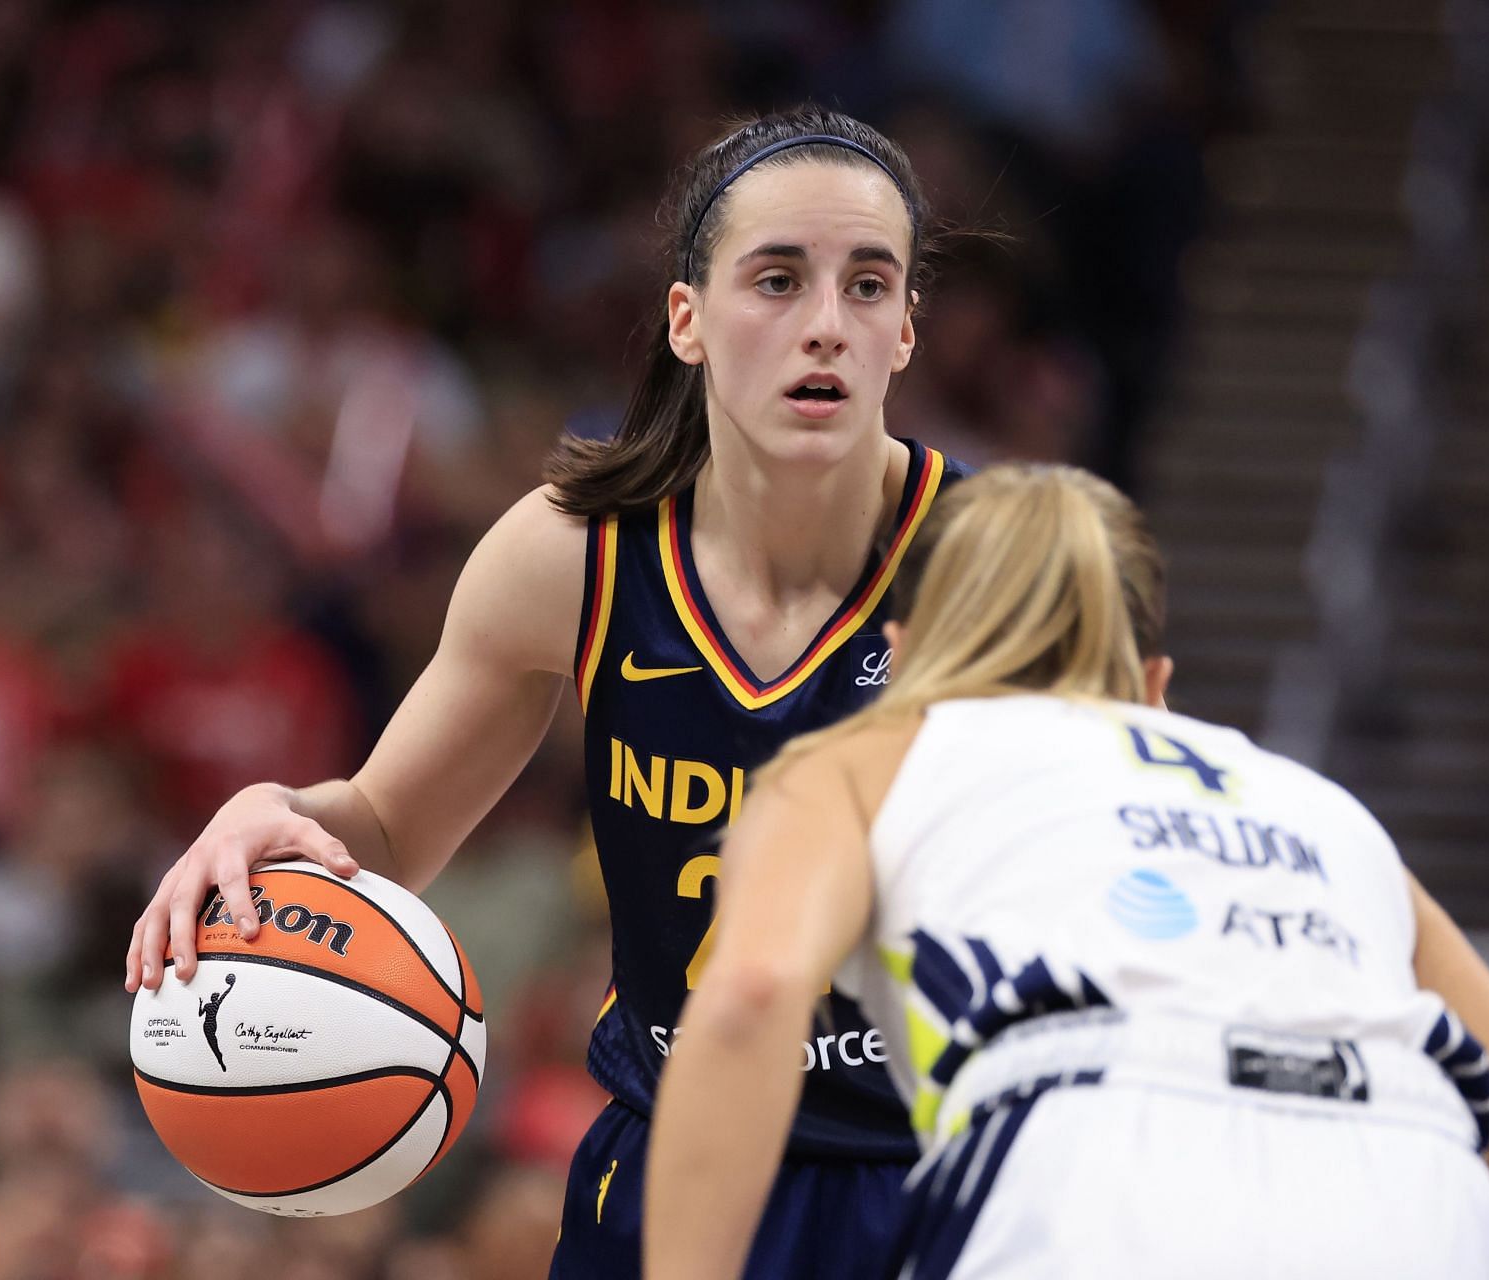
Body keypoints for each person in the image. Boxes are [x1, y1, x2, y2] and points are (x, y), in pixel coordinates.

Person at [124, 105, 972, 1276]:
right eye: (776, 280)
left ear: (907, 331)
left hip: (932, 1181)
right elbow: (383, 829)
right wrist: (268, 811)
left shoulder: (1002, 572)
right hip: (669, 1174)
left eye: (868, 286)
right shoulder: (570, 554)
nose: (826, 325)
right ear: (688, 318)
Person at [645, 464, 1489, 1279]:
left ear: (905, 650)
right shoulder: (1325, 812)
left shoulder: (874, 754)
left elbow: (751, 995)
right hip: (1417, 1189)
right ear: (1155, 684)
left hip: (1095, 1165)